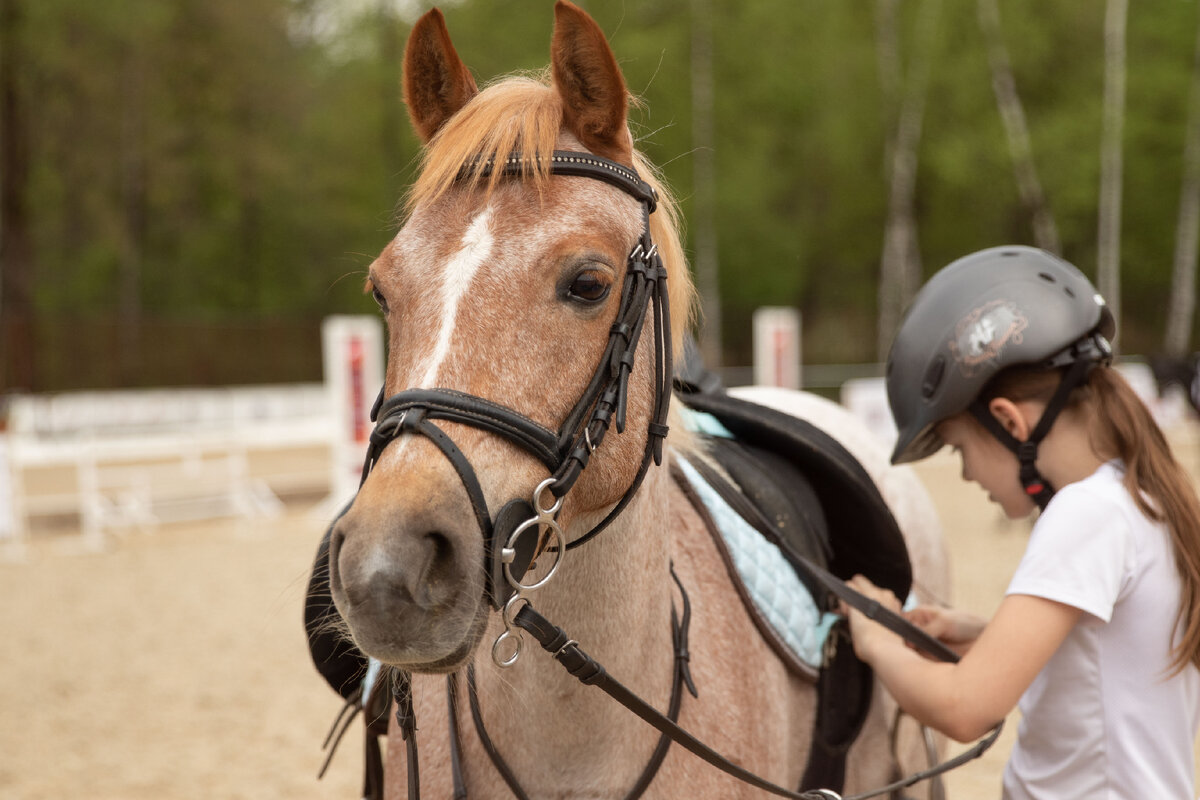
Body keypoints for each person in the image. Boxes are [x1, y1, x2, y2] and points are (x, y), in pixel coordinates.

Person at [845, 245, 1200, 798]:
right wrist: (984, 635)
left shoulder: (1085, 514)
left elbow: (965, 709)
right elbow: (1108, 659)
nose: (965, 476)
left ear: (1009, 421)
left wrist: (873, 639)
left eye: (960, 448)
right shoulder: (1138, 496)